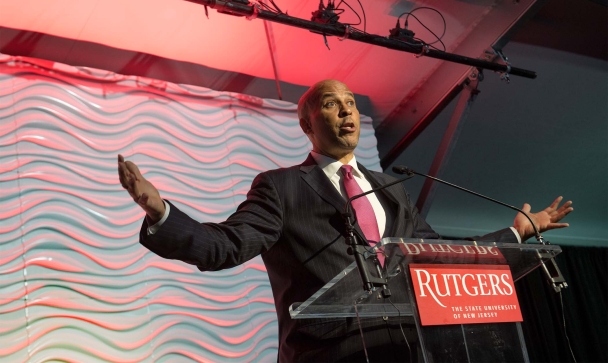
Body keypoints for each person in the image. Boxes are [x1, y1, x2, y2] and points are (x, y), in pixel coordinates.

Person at [118, 79, 573, 362]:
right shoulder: (281, 187)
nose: (347, 111)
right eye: (332, 103)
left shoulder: (392, 188)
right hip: (329, 353)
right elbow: (227, 245)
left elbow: (436, 261)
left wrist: (514, 234)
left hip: (408, 349)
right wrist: (161, 213)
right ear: (307, 123)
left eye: (351, 103)